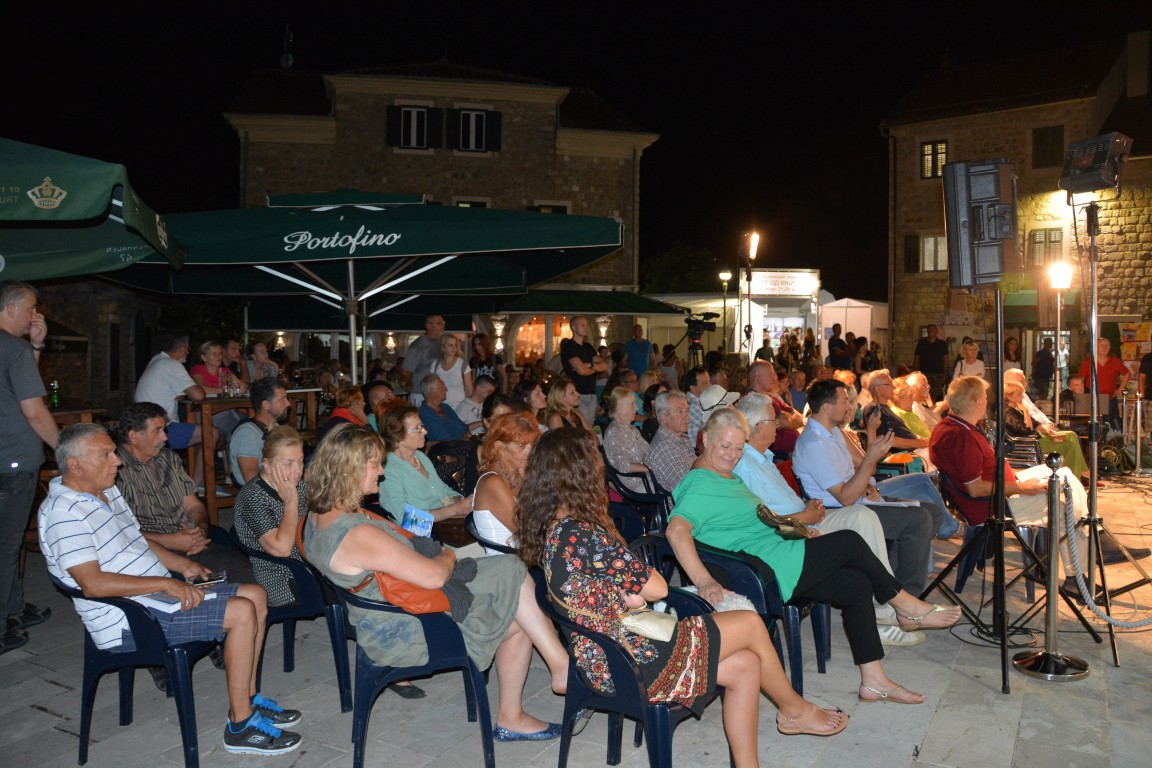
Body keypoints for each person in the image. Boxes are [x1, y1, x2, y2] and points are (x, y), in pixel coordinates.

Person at [516, 428, 849, 763]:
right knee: (749, 623)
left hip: (606, 655)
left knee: (746, 665)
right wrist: (629, 577)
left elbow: (590, 586)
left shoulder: (555, 529)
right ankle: (794, 710)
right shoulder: (583, 535)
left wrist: (621, 587)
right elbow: (658, 587)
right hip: (631, 661)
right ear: (582, 475)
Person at [664, 410, 961, 710]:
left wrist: (799, 531)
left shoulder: (726, 476)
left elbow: (761, 521)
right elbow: (676, 531)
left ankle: (874, 680)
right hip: (763, 572)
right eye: (725, 446)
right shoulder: (700, 483)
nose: (732, 454)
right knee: (849, 540)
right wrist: (704, 581)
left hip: (777, 555)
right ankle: (905, 605)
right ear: (706, 440)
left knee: (856, 584)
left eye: (739, 447)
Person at [40, 424, 303, 755]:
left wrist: (182, 565)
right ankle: (240, 726)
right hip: (127, 618)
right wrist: (166, 582)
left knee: (255, 593)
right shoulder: (63, 514)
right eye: (105, 455)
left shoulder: (105, 492)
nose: (117, 461)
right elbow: (92, 584)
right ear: (75, 465)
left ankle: (248, 698)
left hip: (153, 598)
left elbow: (137, 540)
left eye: (113, 452)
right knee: (241, 611)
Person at [302, 423, 568, 740]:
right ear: (349, 469)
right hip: (405, 630)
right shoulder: (356, 533)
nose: (381, 471)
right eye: (374, 464)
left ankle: (552, 674)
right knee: (516, 596)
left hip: (388, 608)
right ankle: (543, 685)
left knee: (512, 578)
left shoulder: (317, 516)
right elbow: (434, 575)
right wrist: (447, 554)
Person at [732, 394, 922, 645]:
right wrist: (804, 518)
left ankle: (886, 605)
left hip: (807, 517)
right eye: (773, 420)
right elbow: (762, 521)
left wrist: (807, 506)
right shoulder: (746, 466)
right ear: (758, 427)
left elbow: (778, 503)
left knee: (863, 516)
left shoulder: (763, 458)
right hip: (790, 533)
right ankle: (885, 609)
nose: (778, 424)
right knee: (858, 527)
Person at [928, 376, 1095, 583]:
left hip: (1003, 491)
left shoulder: (952, 426)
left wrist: (1019, 478)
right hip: (996, 505)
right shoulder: (962, 436)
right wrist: (1023, 487)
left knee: (1064, 474)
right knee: (1062, 502)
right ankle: (1077, 574)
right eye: (985, 397)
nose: (987, 401)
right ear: (977, 402)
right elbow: (975, 489)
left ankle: (1089, 534)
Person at [793, 380, 943, 593]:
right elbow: (845, 497)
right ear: (827, 407)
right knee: (919, 520)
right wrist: (868, 466)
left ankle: (891, 581)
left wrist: (866, 483)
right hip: (841, 511)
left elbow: (866, 469)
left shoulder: (834, 432)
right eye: (844, 401)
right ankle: (906, 593)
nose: (849, 407)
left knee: (933, 513)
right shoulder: (813, 444)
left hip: (858, 498)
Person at [114, 402, 256, 585]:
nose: (165, 437)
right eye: (157, 430)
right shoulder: (114, 470)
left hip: (192, 543)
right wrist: (171, 541)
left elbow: (194, 506)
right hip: (152, 553)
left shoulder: (169, 458)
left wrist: (200, 530)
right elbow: (118, 531)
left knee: (249, 572)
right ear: (134, 436)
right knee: (213, 587)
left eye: (164, 429)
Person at [0, 280, 57, 653]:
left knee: (9, 540)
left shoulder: (19, 349)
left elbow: (17, 386)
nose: (35, 315)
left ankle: (14, 607)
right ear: (10, 309)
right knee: (6, 545)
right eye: (31, 308)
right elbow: (35, 411)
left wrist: (35, 345)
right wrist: (65, 450)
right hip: (13, 459)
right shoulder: (14, 348)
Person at [233, 426, 309, 607]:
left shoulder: (298, 485)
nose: (297, 470)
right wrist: (290, 502)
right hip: (281, 578)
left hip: (309, 565)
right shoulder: (253, 497)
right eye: (288, 463)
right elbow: (282, 550)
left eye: (300, 461)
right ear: (267, 465)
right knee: (349, 588)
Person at [378, 404, 473, 521]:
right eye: (417, 429)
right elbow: (406, 520)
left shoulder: (420, 456)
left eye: (422, 426)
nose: (425, 431)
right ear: (398, 437)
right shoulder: (388, 471)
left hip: (445, 522)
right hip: (420, 531)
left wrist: (460, 500)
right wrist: (455, 510)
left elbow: (443, 490)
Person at [134, 331, 205, 483]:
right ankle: (197, 484)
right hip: (158, 429)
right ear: (182, 348)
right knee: (211, 433)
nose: (188, 351)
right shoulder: (172, 365)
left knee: (199, 432)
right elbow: (198, 395)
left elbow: (176, 392)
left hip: (142, 425)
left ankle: (189, 480)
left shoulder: (157, 359)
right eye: (187, 348)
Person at [472, 413, 541, 554]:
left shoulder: (518, 473)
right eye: (521, 446)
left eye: (532, 445)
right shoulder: (492, 483)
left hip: (525, 555)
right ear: (499, 447)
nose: (530, 452)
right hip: (505, 562)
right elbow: (527, 532)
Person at [1002, 377, 1090, 482]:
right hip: (1029, 444)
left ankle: (1075, 476)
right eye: (1019, 394)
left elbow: (1035, 424)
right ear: (1009, 396)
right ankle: (1079, 474)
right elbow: (1027, 430)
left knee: (1071, 440)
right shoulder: (1008, 412)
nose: (1022, 397)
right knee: (1070, 439)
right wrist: (1025, 411)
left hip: (1035, 439)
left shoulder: (1016, 408)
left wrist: (1050, 432)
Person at [229, 378, 291, 486]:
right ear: (266, 405)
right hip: (262, 493)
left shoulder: (276, 428)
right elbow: (251, 478)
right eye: (282, 399)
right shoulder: (247, 433)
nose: (288, 403)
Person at [601, 386, 653, 494]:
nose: (636, 408)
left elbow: (649, 452)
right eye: (632, 404)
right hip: (636, 482)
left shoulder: (633, 429)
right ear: (619, 408)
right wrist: (650, 468)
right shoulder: (613, 431)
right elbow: (622, 465)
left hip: (648, 478)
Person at [746, 361, 802, 454]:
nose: (774, 378)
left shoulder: (771, 396)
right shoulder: (752, 400)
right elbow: (785, 422)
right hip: (778, 454)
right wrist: (788, 419)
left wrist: (787, 419)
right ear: (757, 376)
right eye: (770, 374)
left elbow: (797, 416)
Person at [644, 390, 695, 491]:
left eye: (687, 411)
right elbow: (687, 486)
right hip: (688, 498)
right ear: (664, 417)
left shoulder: (681, 437)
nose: (688, 417)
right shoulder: (665, 447)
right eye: (680, 412)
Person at [559, 315, 605, 425]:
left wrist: (589, 365)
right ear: (574, 328)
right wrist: (594, 367)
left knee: (590, 425)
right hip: (578, 394)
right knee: (584, 426)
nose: (586, 328)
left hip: (591, 393)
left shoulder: (588, 347)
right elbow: (582, 371)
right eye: (583, 325)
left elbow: (604, 366)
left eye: (586, 325)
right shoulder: (569, 347)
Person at [1078, 338, 1130, 422]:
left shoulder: (1115, 361)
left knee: (1110, 423)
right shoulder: (1088, 362)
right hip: (1091, 398)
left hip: (1109, 398)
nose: (1105, 348)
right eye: (1102, 345)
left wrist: (1119, 390)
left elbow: (1127, 374)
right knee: (1092, 422)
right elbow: (1080, 379)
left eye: (1107, 346)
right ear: (1096, 347)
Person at [401, 313, 447, 405]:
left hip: (438, 392)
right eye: (439, 323)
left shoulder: (443, 342)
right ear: (429, 326)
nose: (443, 325)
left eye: (443, 322)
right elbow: (406, 372)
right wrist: (415, 386)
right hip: (421, 394)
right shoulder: (418, 345)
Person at [416, 374, 470, 446]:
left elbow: (464, 428)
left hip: (461, 445)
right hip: (445, 449)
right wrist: (461, 441)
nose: (446, 389)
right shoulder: (423, 414)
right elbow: (438, 441)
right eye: (442, 386)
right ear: (432, 390)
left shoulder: (446, 408)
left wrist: (468, 435)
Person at [431, 333, 472, 410]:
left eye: (455, 345)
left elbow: (469, 390)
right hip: (440, 408)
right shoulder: (435, 365)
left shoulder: (463, 365)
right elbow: (431, 388)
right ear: (443, 347)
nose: (454, 348)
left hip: (459, 408)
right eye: (450, 345)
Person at [912, 324, 950, 401]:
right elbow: (917, 358)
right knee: (924, 393)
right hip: (925, 372)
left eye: (932, 330)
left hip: (938, 373)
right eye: (929, 330)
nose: (930, 332)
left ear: (936, 331)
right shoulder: (922, 343)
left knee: (937, 394)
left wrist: (946, 373)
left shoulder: (942, 344)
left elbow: (945, 359)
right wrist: (916, 371)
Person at [682, 366, 710, 446]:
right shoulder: (693, 406)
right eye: (705, 383)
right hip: (698, 450)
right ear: (693, 388)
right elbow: (716, 429)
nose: (710, 385)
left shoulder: (701, 401)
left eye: (709, 381)